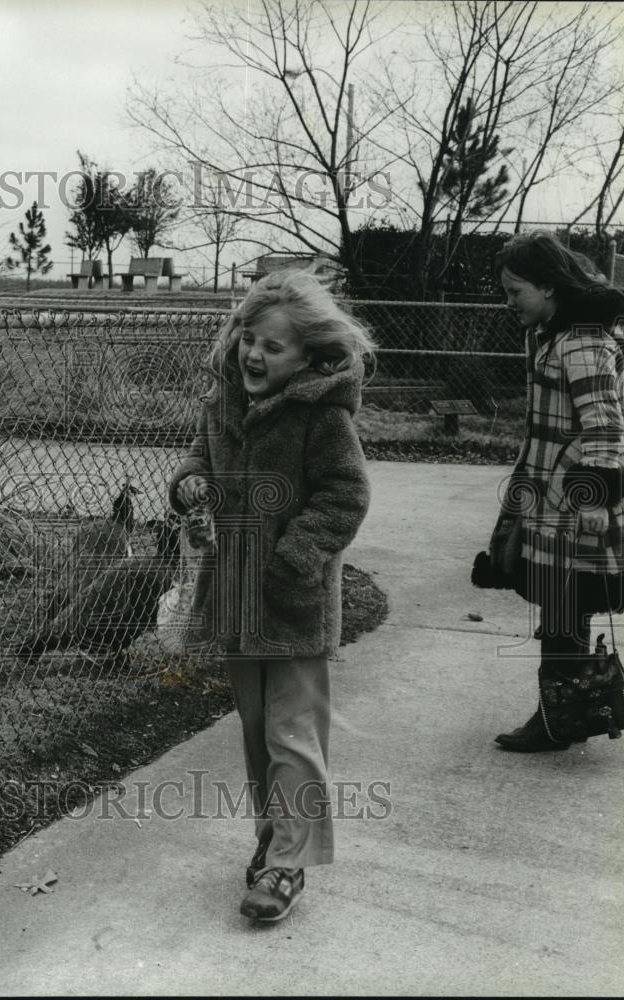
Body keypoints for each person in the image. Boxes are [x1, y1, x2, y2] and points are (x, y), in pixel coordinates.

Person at [168, 269, 373, 922]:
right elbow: (194, 462)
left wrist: (296, 557)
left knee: (294, 734)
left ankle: (288, 863)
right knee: (259, 734)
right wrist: (191, 488)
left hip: (293, 599)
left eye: (273, 346)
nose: (253, 354)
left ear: (310, 354)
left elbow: (347, 494)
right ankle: (273, 834)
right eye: (248, 338)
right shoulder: (221, 405)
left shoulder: (322, 416)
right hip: (235, 598)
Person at [472, 232, 624, 751]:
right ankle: (568, 713)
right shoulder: (554, 332)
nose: (509, 301)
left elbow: (605, 425)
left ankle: (557, 718)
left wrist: (593, 496)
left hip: (573, 498)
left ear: (548, 286)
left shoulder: (581, 340)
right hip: (550, 493)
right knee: (565, 607)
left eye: (515, 290)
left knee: (565, 607)